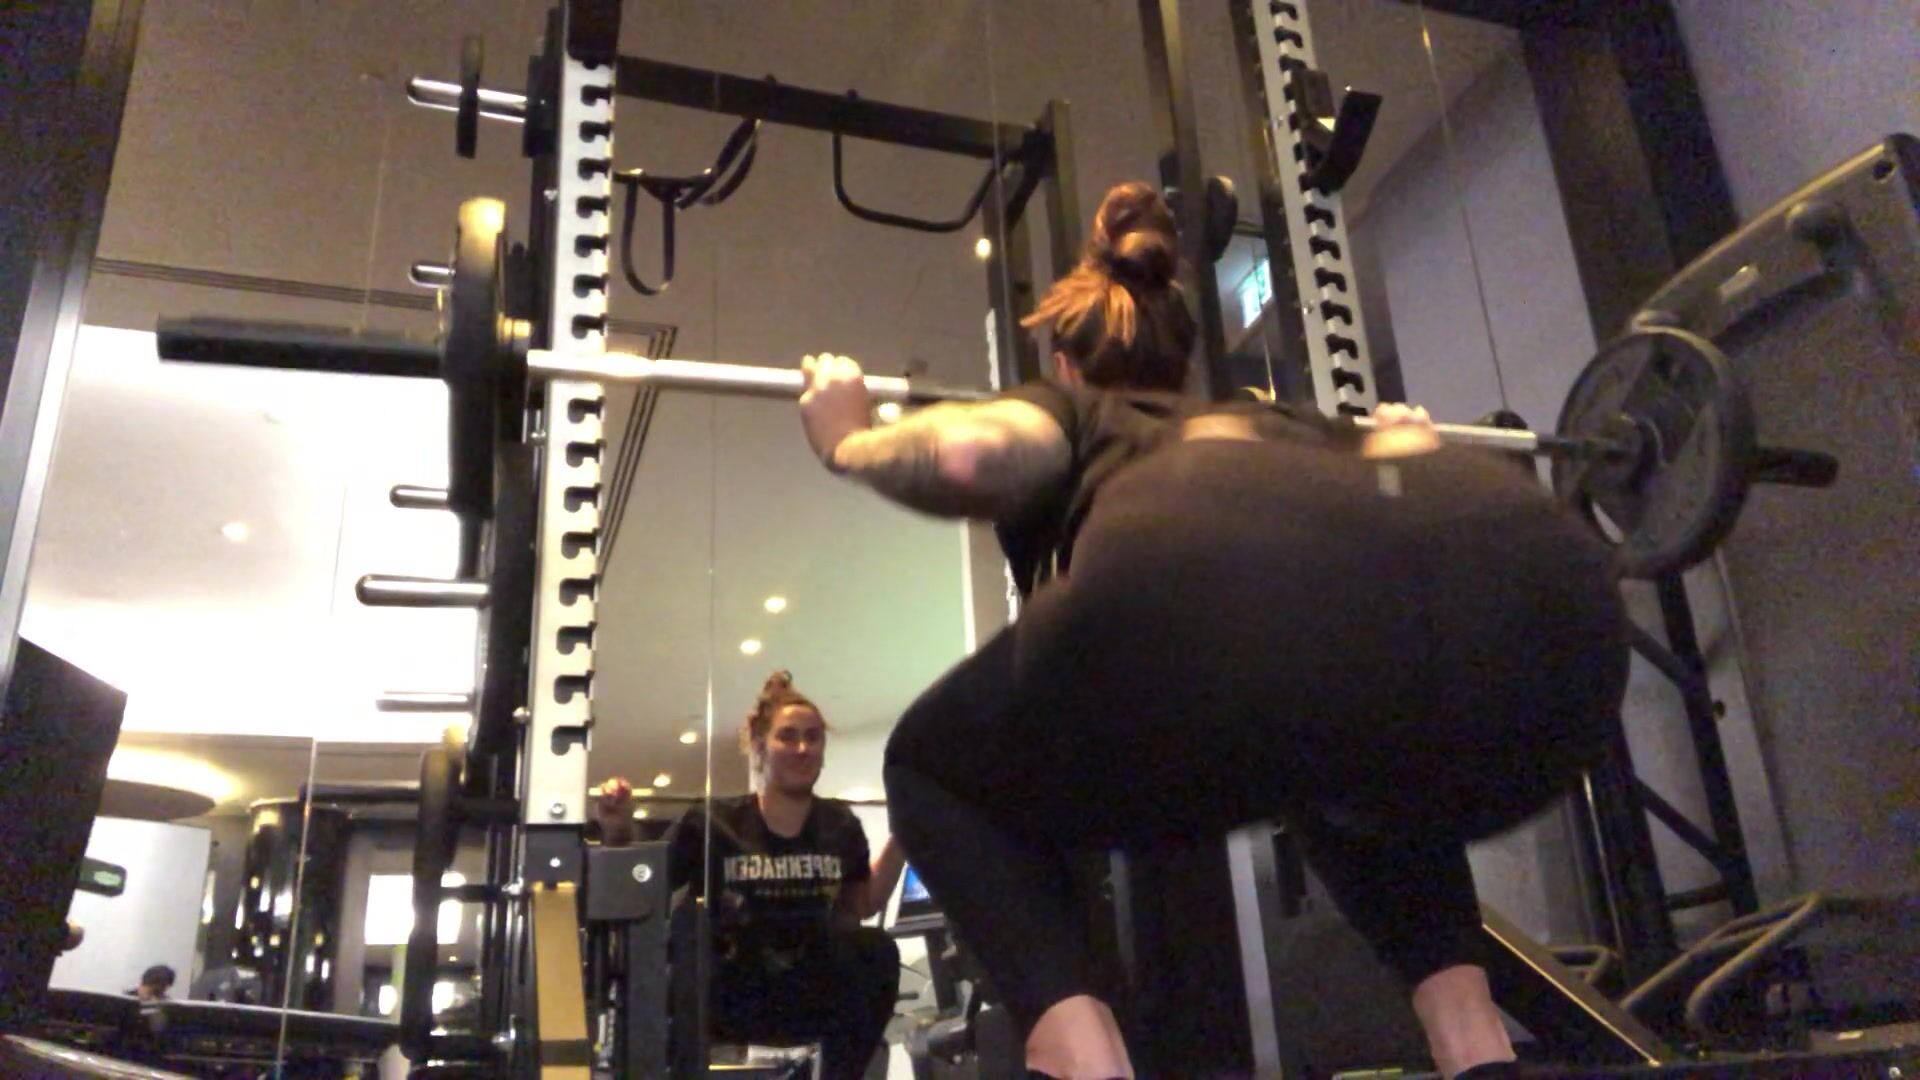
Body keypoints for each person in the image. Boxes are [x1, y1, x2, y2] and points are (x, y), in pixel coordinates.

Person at [795, 182, 1628, 1080]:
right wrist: (1410, 443)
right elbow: (1406, 457)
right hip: (1551, 617)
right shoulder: (1280, 424)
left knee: (932, 766)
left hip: (1183, 588)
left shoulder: (1080, 411)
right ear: (1182, 360)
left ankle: (1084, 1052)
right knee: (1340, 756)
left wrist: (849, 436)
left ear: (1066, 365)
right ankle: (1474, 1040)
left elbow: (972, 453)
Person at [595, 671, 907, 1080]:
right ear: (760, 746)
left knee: (876, 950)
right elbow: (642, 890)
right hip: (729, 994)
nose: (802, 748)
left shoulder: (840, 825)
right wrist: (618, 832)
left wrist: (903, 837)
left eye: (813, 738)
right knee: (685, 945)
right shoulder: (714, 822)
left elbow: (862, 905)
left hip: (805, 991)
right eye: (788, 737)